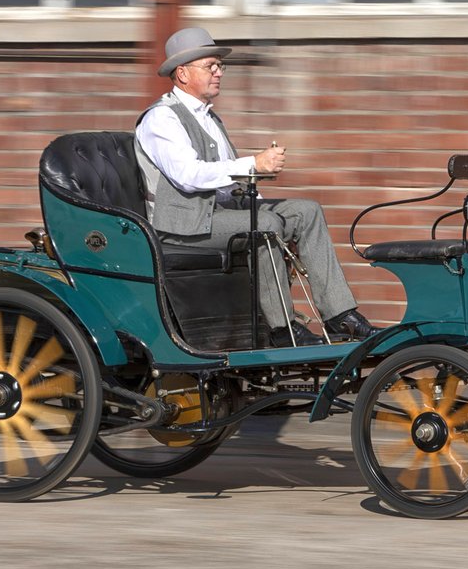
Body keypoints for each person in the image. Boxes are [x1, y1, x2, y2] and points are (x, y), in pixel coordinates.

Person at [134, 27, 380, 347]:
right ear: (182, 73)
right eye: (211, 66)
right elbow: (188, 175)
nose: (219, 72)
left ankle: (339, 316)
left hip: (217, 214)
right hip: (181, 223)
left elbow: (233, 184)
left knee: (306, 211)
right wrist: (254, 165)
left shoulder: (210, 119)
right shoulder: (161, 119)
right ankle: (281, 329)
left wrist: (256, 194)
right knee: (263, 223)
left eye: (220, 66)